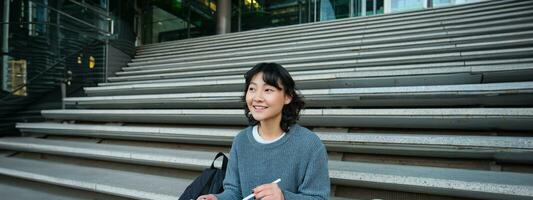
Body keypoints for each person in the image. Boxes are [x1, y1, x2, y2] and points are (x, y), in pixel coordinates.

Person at [197, 63, 330, 200]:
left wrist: (283, 197)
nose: (257, 97)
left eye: (268, 90)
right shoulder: (241, 140)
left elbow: (319, 198)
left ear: (287, 97)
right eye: (252, 89)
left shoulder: (310, 145)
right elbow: (234, 192)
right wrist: (217, 198)